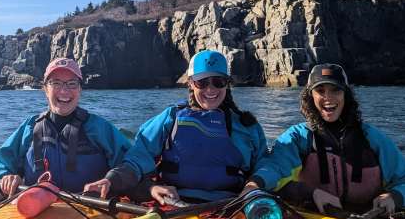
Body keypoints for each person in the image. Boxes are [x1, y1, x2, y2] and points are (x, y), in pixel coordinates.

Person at [85, 50, 270, 203]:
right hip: (175, 202)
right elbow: (137, 158)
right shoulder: (171, 118)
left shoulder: (247, 126)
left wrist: (253, 186)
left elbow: (266, 165)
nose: (210, 89)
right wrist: (113, 181)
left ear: (227, 84)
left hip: (232, 204)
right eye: (202, 82)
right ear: (190, 83)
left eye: (218, 82)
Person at [263, 63, 405, 215]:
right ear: (310, 96)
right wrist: (310, 193)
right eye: (320, 90)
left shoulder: (372, 138)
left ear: (346, 95)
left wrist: (394, 197)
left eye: (335, 90)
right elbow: (272, 176)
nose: (328, 97)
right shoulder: (296, 138)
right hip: (311, 218)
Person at [0, 57, 149, 200]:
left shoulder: (99, 128)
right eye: (55, 83)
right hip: (36, 212)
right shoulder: (29, 128)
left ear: (80, 89)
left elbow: (133, 162)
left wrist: (113, 180)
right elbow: (1, 168)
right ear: (45, 89)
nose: (64, 91)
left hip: (91, 209)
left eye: (72, 84)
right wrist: (5, 180)